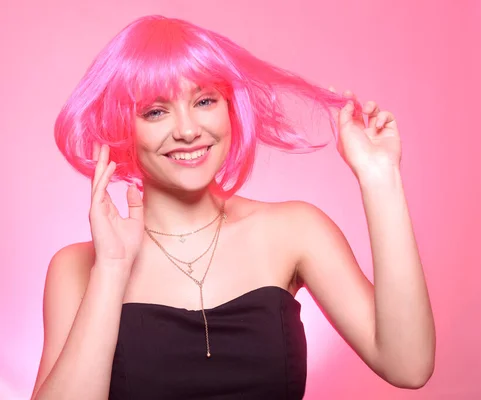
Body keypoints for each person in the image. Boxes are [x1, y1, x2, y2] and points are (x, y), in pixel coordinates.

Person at [30, 15, 435, 400]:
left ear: (229, 109)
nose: (188, 130)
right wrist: (113, 269)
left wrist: (381, 177)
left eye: (205, 101)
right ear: (123, 128)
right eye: (156, 111)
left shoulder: (295, 230)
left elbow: (409, 366)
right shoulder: (77, 269)